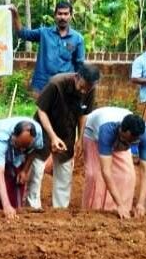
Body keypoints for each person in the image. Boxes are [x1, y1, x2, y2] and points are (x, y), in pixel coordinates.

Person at [26, 65, 100, 210]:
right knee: (38, 167)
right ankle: (32, 206)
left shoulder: (90, 89)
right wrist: (53, 137)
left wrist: (79, 139)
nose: (84, 91)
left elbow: (84, 114)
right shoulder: (56, 84)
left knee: (65, 169)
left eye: (88, 88)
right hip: (44, 129)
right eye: (82, 87)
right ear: (77, 77)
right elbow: (41, 111)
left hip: (67, 130)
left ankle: (60, 209)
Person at [81, 108, 146, 219]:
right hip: (93, 135)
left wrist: (141, 203)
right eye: (124, 140)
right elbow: (106, 170)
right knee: (95, 176)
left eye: (131, 142)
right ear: (120, 130)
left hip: (117, 137)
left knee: (128, 176)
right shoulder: (106, 129)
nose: (126, 144)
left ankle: (121, 209)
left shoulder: (144, 133)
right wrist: (120, 204)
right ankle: (92, 211)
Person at [0, 118, 44, 219]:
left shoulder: (37, 133)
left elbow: (35, 150)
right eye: (18, 146)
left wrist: (25, 170)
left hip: (14, 155)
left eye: (25, 147)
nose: (21, 150)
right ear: (13, 136)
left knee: (14, 188)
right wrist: (6, 205)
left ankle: (9, 212)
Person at [9, 2, 86, 96]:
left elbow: (80, 65)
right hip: (42, 85)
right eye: (60, 13)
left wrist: (78, 87)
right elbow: (22, 33)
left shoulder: (78, 39)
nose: (62, 17)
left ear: (71, 16)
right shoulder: (44, 33)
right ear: (55, 15)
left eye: (66, 14)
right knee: (42, 110)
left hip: (65, 86)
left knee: (61, 111)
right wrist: (15, 15)